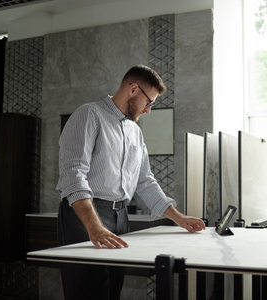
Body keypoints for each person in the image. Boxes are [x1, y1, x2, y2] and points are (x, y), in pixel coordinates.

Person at [56, 65, 205, 300]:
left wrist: (180, 218)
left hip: (120, 216)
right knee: (87, 291)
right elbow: (73, 174)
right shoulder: (89, 115)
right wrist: (93, 227)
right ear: (133, 89)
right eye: (149, 103)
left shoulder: (135, 132)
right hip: (84, 215)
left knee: (111, 289)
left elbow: (145, 181)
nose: (148, 110)